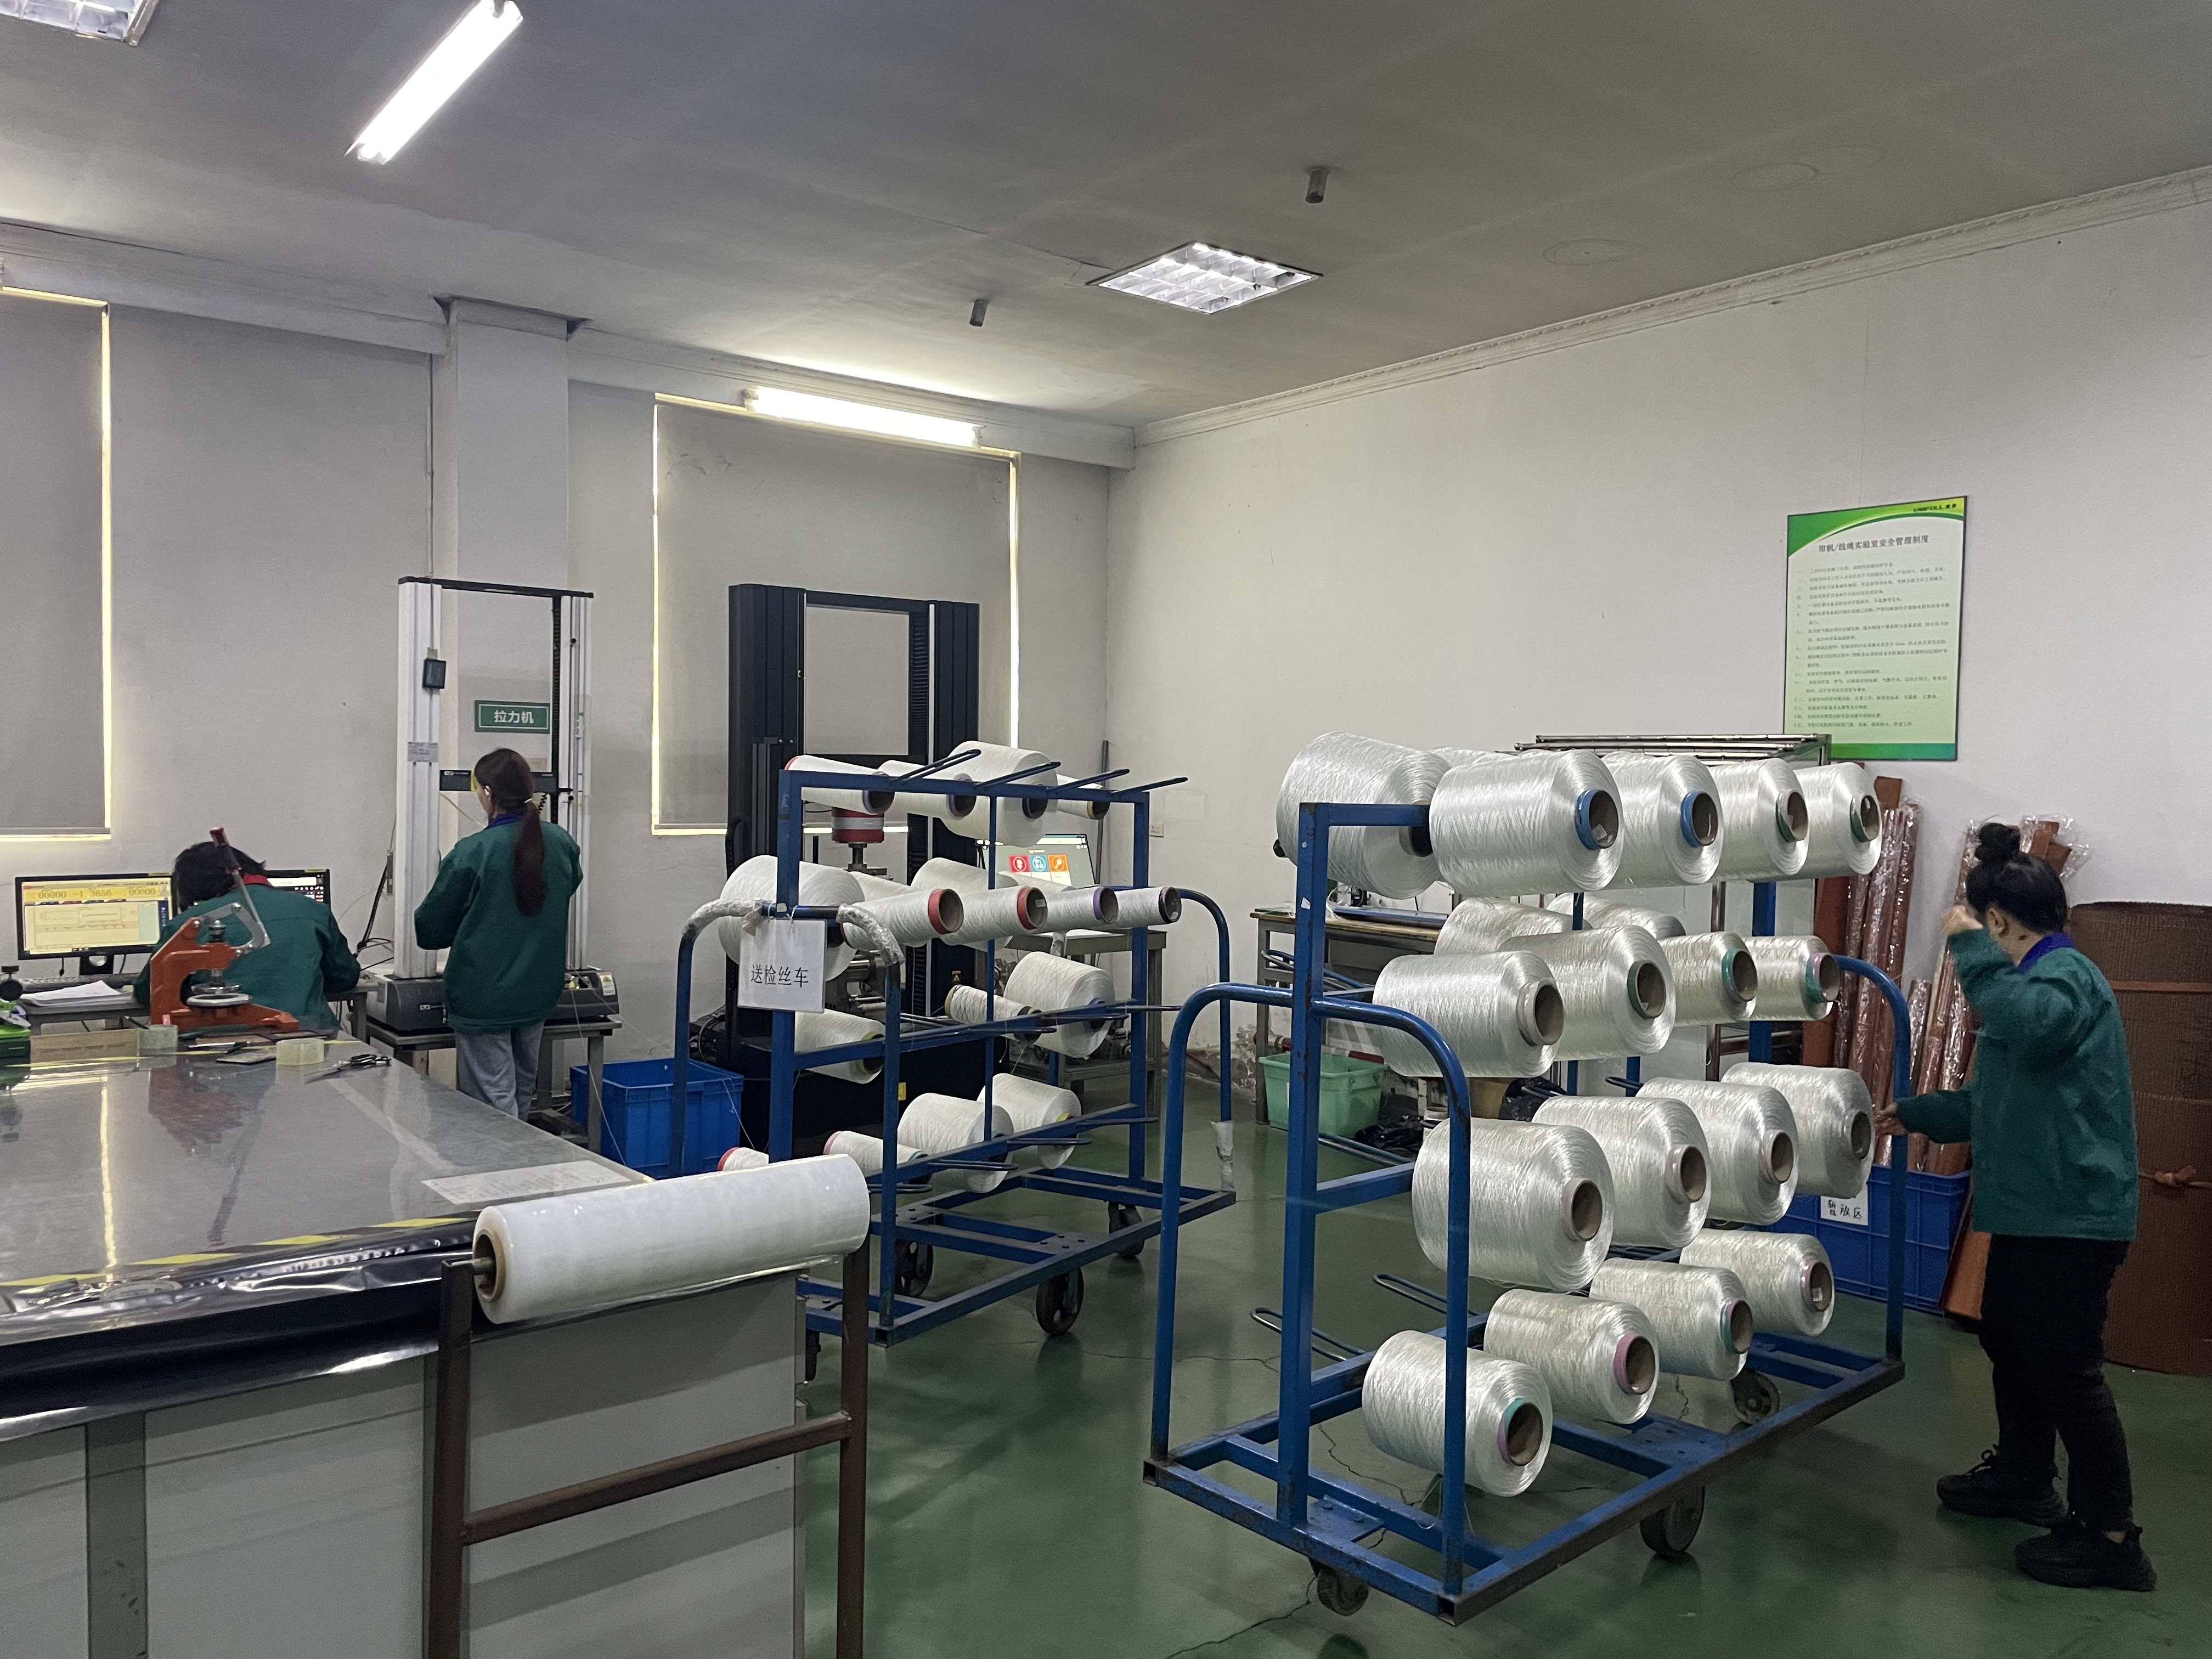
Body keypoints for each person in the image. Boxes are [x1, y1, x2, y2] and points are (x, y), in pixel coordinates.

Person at [1876, 822, 2150, 1592]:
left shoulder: (2065, 979)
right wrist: (1916, 1114)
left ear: (1997, 922)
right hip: (2033, 1214)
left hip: (2074, 1218)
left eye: (1983, 929)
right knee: (2010, 1340)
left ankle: (2112, 1536)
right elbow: (1990, 1102)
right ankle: (2026, 1478)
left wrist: (1965, 947)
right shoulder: (2033, 990)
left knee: (2066, 1370)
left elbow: (2026, 1026)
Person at [414, 748, 580, 1118]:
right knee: (520, 1094)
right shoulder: (561, 842)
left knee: (493, 1108)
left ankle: (506, 1157)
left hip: (484, 998)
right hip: (536, 991)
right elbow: (561, 892)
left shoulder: (473, 852)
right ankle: (523, 1154)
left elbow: (430, 930)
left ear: (488, 792)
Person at [133, 843, 359, 1032]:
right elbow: (344, 978)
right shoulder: (315, 911)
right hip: (307, 1038)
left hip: (215, 1043)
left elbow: (149, 993)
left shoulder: (189, 924)